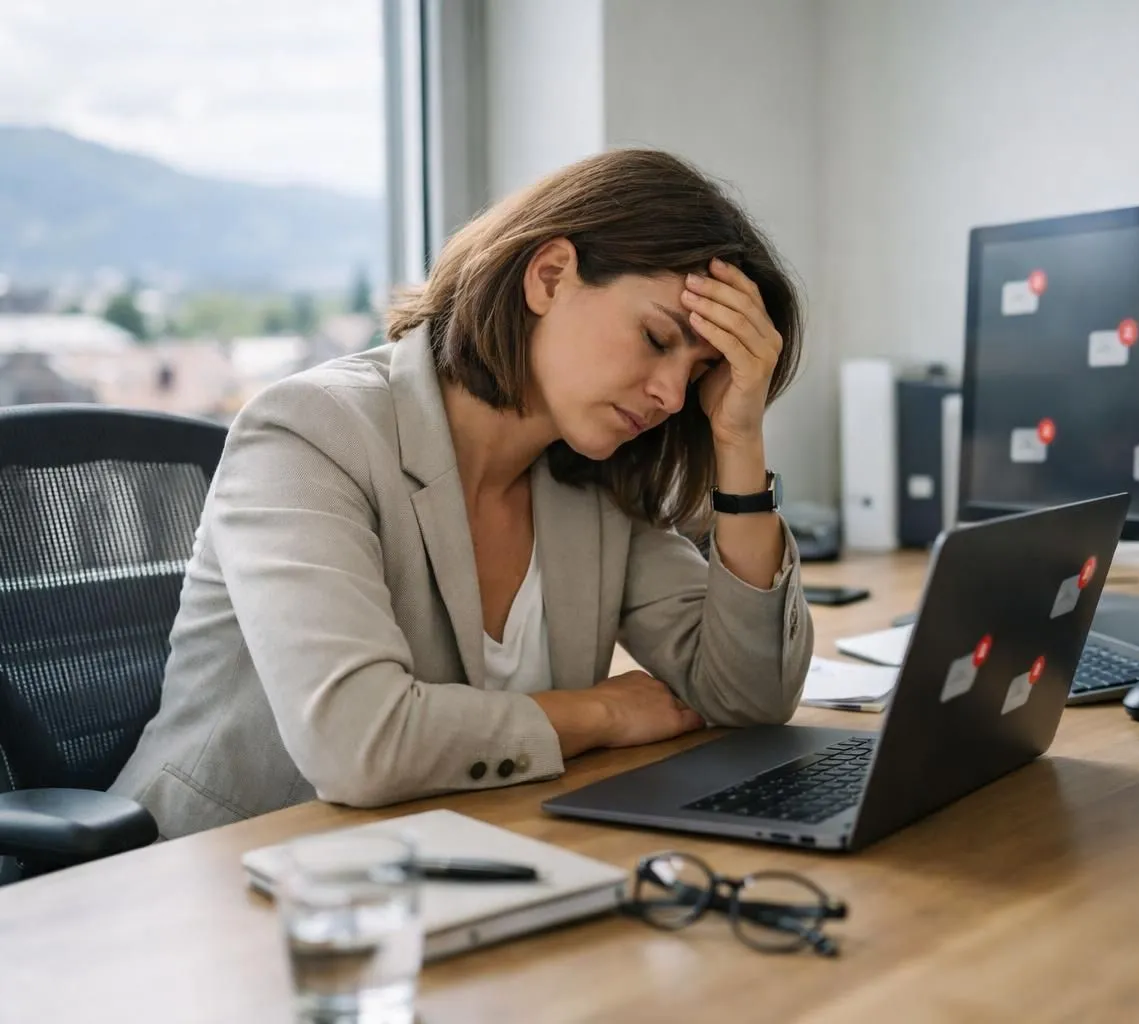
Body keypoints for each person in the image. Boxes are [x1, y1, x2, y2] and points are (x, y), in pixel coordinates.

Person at [109, 149, 816, 839]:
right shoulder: (310, 431)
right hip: (210, 887)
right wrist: (601, 713)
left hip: (440, 868)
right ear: (549, 276)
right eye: (658, 338)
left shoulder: (592, 479)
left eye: (698, 375)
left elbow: (746, 697)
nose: (670, 395)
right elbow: (359, 744)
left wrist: (739, 438)